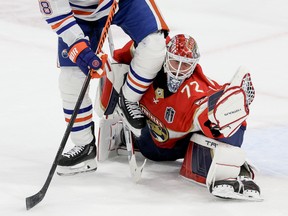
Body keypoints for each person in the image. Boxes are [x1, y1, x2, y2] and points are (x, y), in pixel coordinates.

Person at [98, 34, 261, 200]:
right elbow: (123, 56)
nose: (178, 69)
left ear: (194, 65)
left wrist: (227, 111)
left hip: (167, 149)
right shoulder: (152, 60)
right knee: (118, 72)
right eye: (176, 61)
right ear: (167, 56)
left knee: (221, 119)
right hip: (147, 139)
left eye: (186, 65)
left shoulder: (195, 91)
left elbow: (209, 112)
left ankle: (228, 168)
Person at [38, 0, 169, 175]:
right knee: (71, 80)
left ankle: (128, 99)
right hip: (78, 14)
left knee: (154, 44)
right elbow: (56, 13)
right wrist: (78, 46)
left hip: (123, 3)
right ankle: (84, 145)